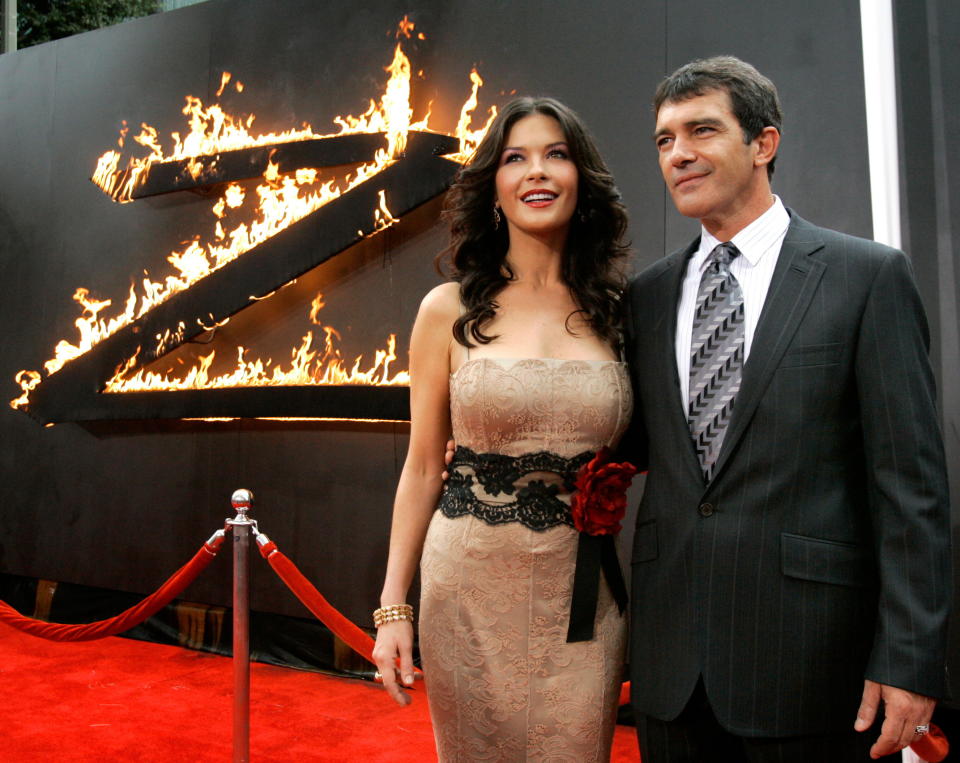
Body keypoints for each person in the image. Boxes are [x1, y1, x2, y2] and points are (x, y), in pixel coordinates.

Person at [623, 56, 952, 762]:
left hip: (812, 669)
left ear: (763, 143)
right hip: (671, 671)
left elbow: (911, 488)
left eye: (700, 131)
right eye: (664, 139)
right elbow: (634, 449)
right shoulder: (646, 298)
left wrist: (909, 656)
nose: (677, 153)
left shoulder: (866, 277)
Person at [372, 96, 634, 760]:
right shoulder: (446, 310)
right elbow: (424, 467)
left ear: (583, 179)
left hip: (583, 599)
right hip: (467, 588)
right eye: (516, 158)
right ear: (493, 186)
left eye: (556, 155)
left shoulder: (620, 313)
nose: (536, 173)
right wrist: (391, 606)